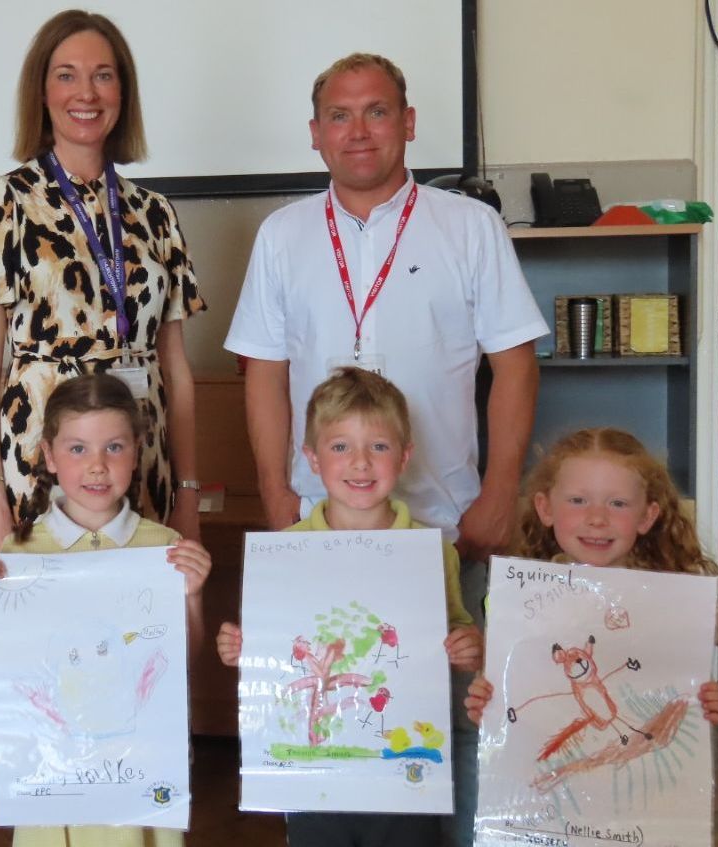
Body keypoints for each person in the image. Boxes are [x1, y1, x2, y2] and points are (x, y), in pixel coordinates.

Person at [222, 51, 547, 844]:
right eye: (340, 114)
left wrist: (501, 488)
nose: (358, 129)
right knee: (333, 713)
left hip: (447, 523)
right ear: (315, 133)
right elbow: (261, 376)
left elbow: (515, 362)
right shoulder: (282, 235)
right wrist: (276, 499)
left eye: (376, 111)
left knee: (462, 720)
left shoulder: (468, 226)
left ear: (407, 123)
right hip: (324, 531)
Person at [0, 8, 207, 557]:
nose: (85, 92)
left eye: (103, 75)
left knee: (146, 630)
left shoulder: (155, 212)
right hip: (43, 460)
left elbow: (177, 371)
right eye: (66, 74)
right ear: (41, 91)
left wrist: (186, 492)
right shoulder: (1, 200)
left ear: (123, 91)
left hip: (142, 457)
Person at [214, 367, 482, 847]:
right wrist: (241, 646)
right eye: (340, 447)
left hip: (404, 775)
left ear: (404, 457)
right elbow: (271, 647)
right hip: (317, 777)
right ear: (313, 459)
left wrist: (468, 646)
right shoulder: (286, 551)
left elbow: (459, 632)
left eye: (378, 447)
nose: (360, 463)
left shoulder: (431, 550)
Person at [0, 372, 212, 846]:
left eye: (113, 448)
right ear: (50, 456)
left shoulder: (165, 548)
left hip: (134, 771)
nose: (97, 466)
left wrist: (194, 596)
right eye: (78, 449)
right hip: (53, 772)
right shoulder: (20, 551)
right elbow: (9, 665)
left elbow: (182, 661)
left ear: (137, 451)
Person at [462, 427, 718, 731]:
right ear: (545, 508)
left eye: (617, 503)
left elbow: (681, 697)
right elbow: (509, 694)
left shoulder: (667, 604)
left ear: (646, 516)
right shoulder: (526, 603)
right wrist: (488, 706)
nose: (597, 518)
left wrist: (707, 707)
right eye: (578, 500)